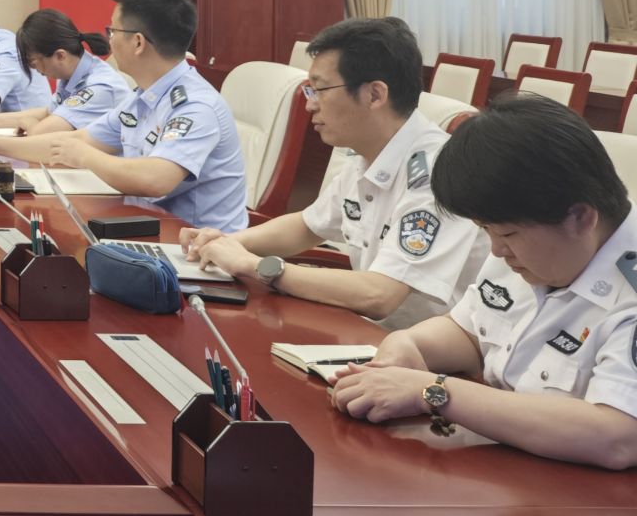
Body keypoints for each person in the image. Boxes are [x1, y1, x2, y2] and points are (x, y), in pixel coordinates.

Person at [331, 95, 637, 470]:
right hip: (510, 471)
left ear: (580, 217)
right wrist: (408, 346)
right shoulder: (533, 248)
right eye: (486, 230)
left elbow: (617, 436)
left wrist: (434, 392)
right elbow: (470, 332)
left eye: (506, 234)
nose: (496, 250)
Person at [178, 18, 485, 327]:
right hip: (373, 334)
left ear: (375, 95)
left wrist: (256, 266)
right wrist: (225, 242)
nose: (310, 105)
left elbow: (380, 295)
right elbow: (306, 226)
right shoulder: (369, 155)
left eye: (320, 90)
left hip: (429, 350)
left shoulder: (438, 174)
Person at [22, 0, 249, 233]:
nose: (108, 41)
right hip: (146, 226)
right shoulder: (142, 97)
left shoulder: (196, 105)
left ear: (138, 42)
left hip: (197, 246)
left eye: (113, 32)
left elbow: (156, 179)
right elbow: (78, 139)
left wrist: (84, 156)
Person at [0, 8, 133, 152]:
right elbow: (50, 112)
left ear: (60, 56)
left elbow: (39, 134)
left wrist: (30, 124)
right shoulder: (71, 73)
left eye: (34, 63)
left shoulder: (99, 87)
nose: (36, 70)